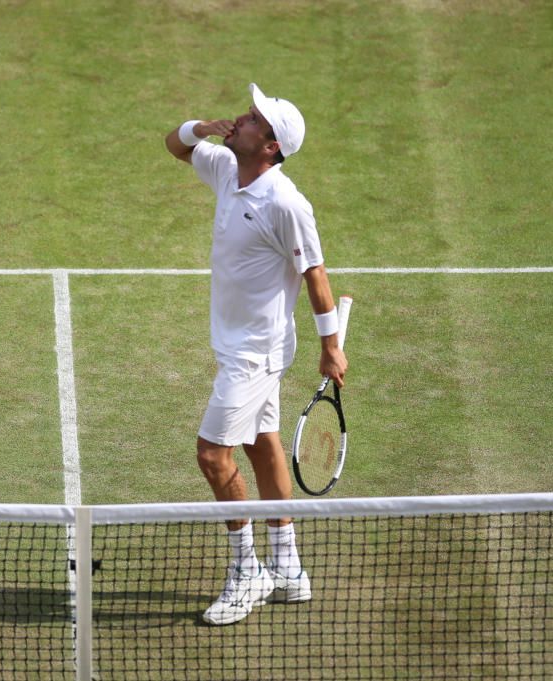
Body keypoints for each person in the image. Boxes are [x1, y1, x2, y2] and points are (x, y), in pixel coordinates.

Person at [164, 84, 348, 626]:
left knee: (212, 456)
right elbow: (173, 145)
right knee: (263, 445)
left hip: (256, 354)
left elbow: (315, 274)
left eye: (253, 119)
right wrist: (203, 127)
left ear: (270, 146)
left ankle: (249, 571)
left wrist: (331, 347)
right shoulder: (226, 168)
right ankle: (288, 567)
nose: (243, 118)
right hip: (238, 346)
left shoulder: (286, 203)